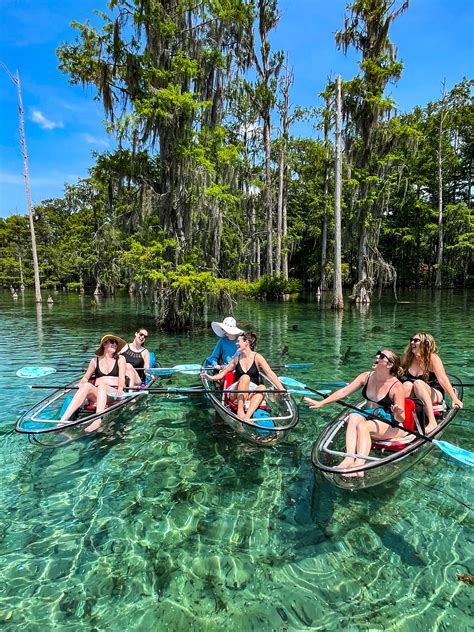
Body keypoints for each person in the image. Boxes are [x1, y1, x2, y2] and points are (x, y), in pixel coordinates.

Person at [304, 349, 407, 476]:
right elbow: (343, 392)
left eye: (381, 356)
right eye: (378, 353)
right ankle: (349, 458)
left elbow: (401, 419)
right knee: (353, 416)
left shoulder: (396, 386)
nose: (377, 356)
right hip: (371, 417)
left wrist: (397, 412)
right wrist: (321, 403)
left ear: (389, 364)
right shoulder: (366, 376)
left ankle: (359, 467)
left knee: (363, 426)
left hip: (391, 425)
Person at [201, 331, 286, 421]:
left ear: (246, 342)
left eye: (238, 341)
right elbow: (223, 373)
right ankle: (240, 411)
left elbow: (270, 374)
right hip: (236, 392)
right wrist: (211, 378)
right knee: (245, 377)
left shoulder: (257, 357)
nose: (236, 344)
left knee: (262, 387)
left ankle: (247, 418)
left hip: (250, 392)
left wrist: (281, 389)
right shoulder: (237, 358)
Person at [59, 334, 127, 432]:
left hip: (114, 393)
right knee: (87, 386)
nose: (115, 344)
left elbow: (122, 377)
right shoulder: (95, 361)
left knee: (102, 386)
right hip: (99, 393)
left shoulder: (120, 359)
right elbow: (86, 378)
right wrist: (81, 385)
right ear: (104, 344)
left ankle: (97, 419)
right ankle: (62, 421)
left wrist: (120, 389)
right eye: (112, 342)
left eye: (116, 343)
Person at [401, 332, 463, 433]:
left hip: (434, 392)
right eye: (411, 340)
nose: (412, 342)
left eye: (416, 340)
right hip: (414, 390)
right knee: (406, 385)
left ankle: (432, 422)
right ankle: (392, 417)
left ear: (425, 343)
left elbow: (442, 379)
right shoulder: (408, 358)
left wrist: (454, 398)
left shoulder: (432, 358)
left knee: (418, 383)